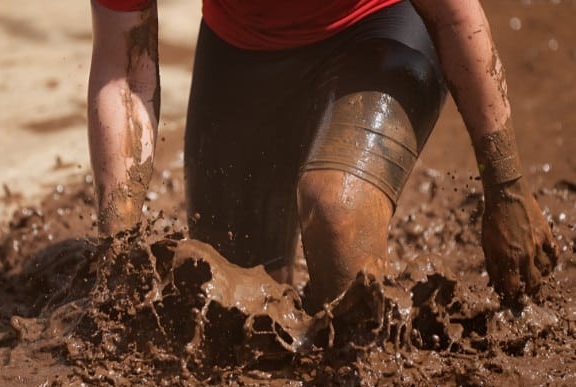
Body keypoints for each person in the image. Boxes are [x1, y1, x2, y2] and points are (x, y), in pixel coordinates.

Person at [86, 0, 559, 311]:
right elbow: (124, 73)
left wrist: (506, 189)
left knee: (336, 214)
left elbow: (454, 16)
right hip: (242, 47)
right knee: (226, 301)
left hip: (381, 25)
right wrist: (118, 240)